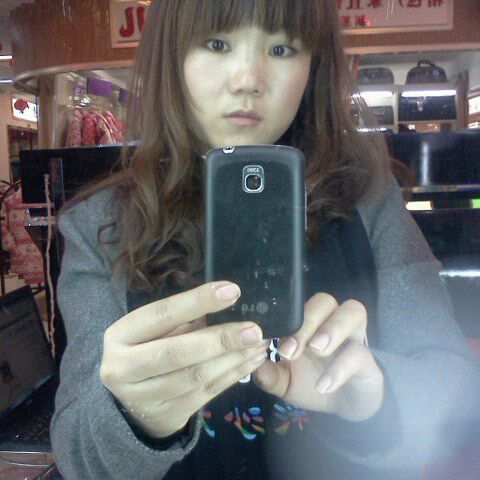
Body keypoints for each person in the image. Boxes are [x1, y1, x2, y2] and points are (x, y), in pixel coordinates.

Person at [50, 0, 480, 479]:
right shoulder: (99, 226)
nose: (247, 80)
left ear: (314, 65)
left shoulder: (368, 199)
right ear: (171, 57)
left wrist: (375, 398)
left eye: (281, 49)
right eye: (217, 43)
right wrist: (133, 418)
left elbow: (456, 393)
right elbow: (78, 457)